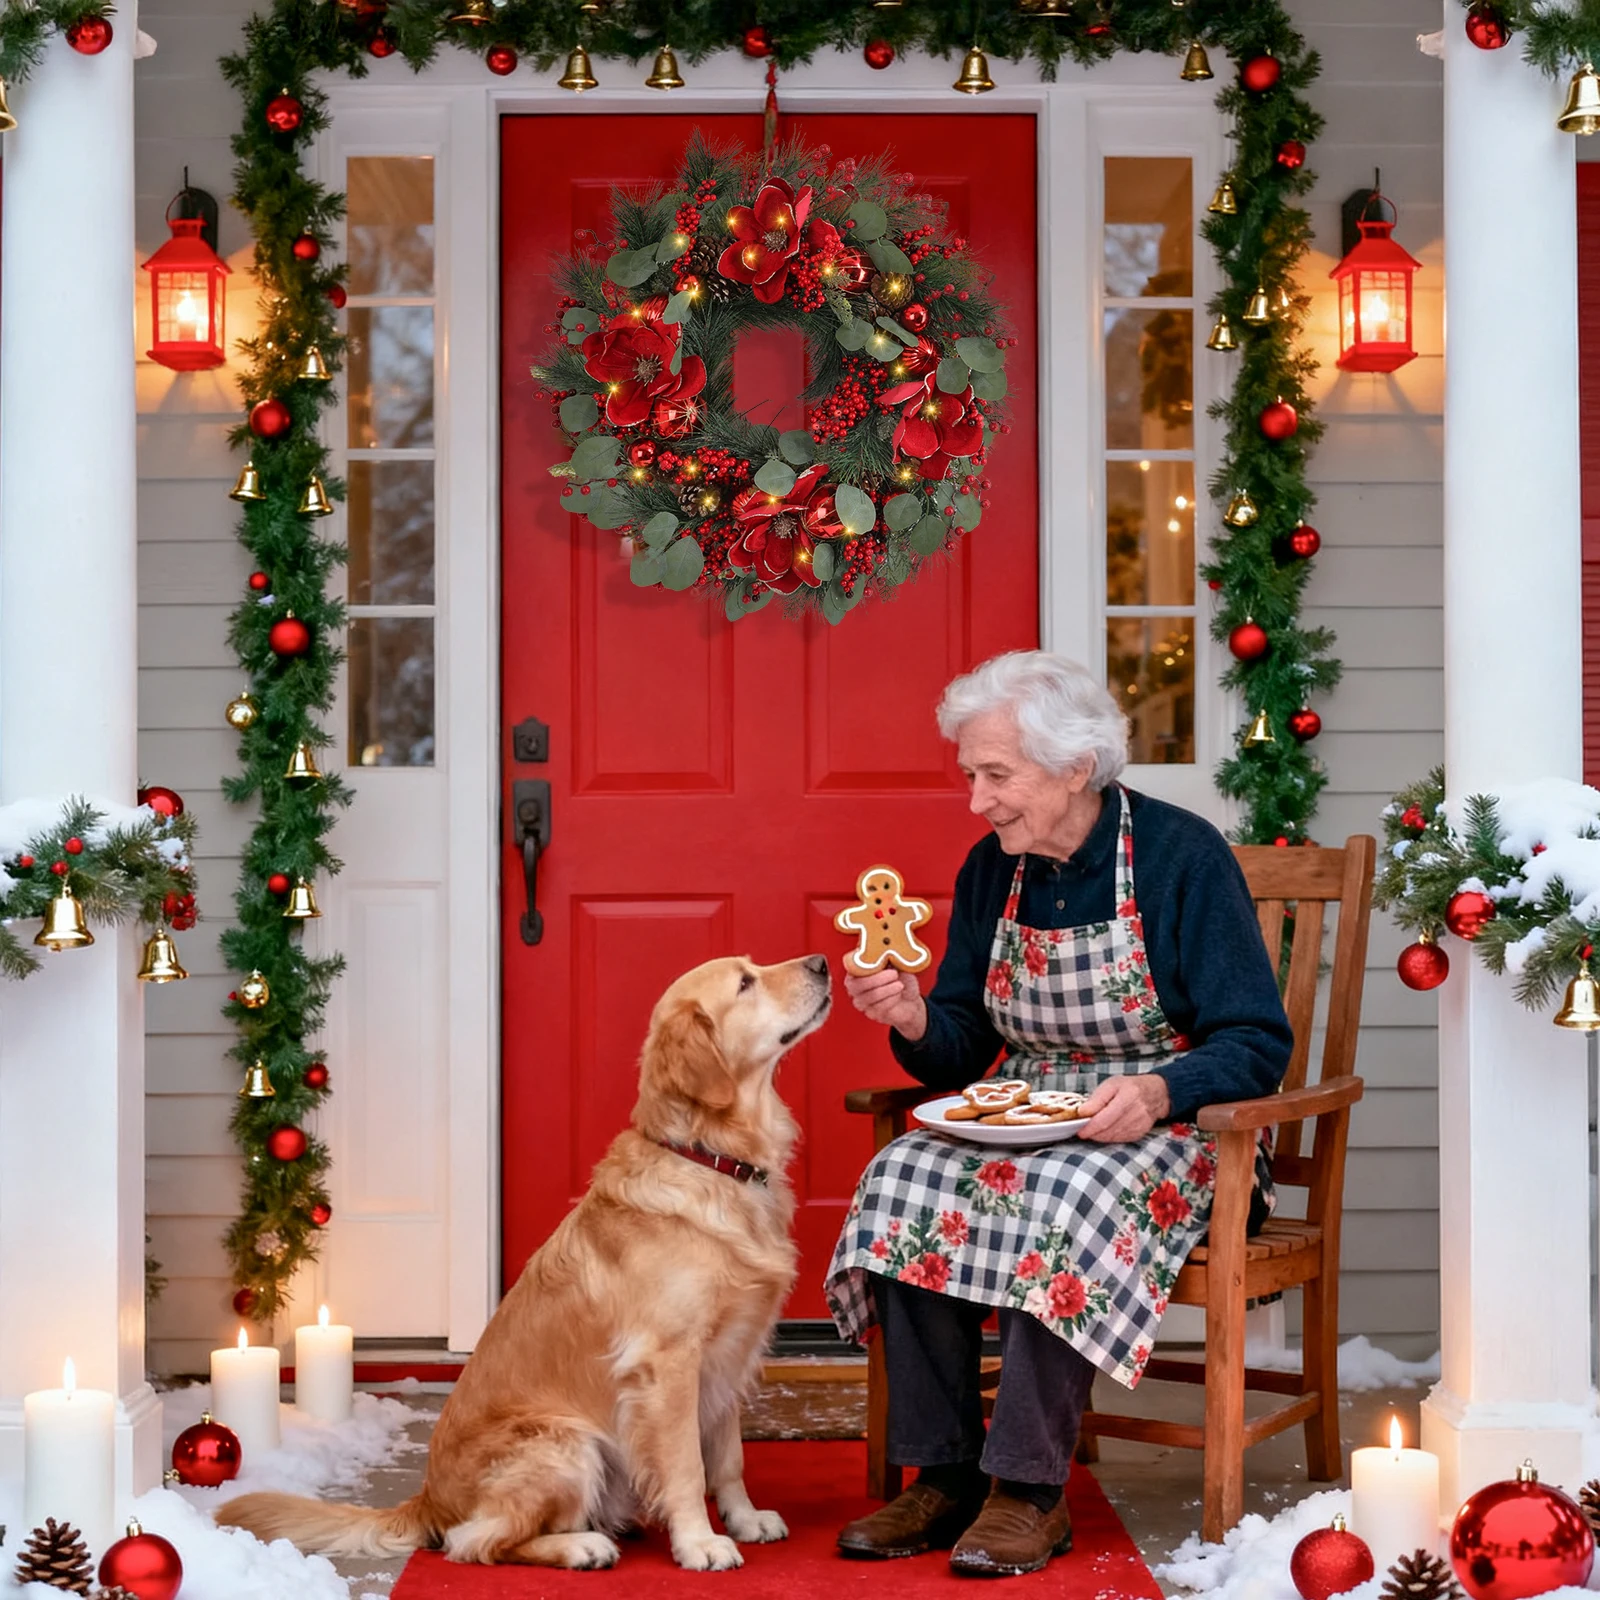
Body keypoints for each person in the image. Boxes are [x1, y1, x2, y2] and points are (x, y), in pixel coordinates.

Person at [825, 651, 1292, 1577]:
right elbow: (962, 1040)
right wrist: (915, 1016)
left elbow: (1254, 1038)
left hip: (1175, 1127)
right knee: (903, 1175)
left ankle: (1030, 1491)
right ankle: (946, 1472)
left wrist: (1163, 1091)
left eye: (996, 776)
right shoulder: (991, 868)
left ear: (1076, 766)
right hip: (1030, 1111)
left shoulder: (1179, 857)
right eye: (971, 775)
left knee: (1065, 1194)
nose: (977, 801)